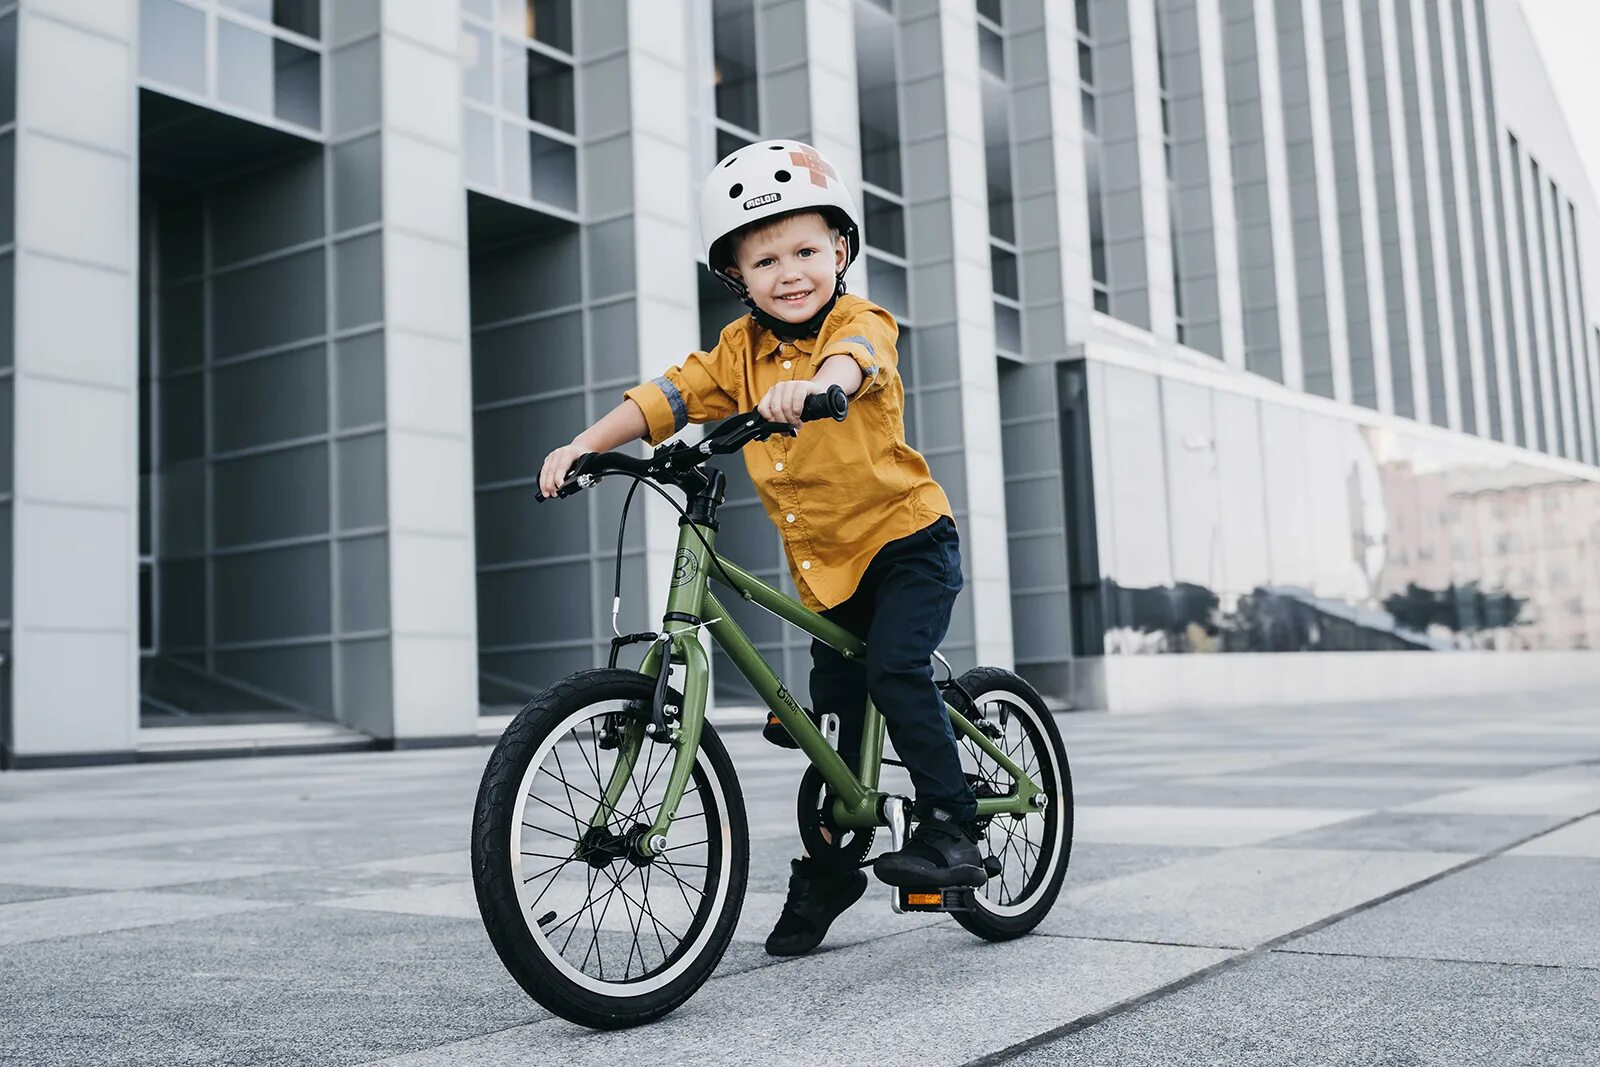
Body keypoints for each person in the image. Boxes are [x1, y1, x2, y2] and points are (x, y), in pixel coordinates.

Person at [537, 140, 984, 958]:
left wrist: (823, 387)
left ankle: (951, 825)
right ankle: (832, 865)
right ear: (737, 278)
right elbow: (668, 396)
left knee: (893, 669)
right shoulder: (737, 353)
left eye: (807, 250)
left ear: (840, 250)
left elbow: (860, 362)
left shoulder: (857, 322)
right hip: (829, 575)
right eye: (765, 259)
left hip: (907, 543)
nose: (790, 272)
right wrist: (585, 444)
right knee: (833, 735)